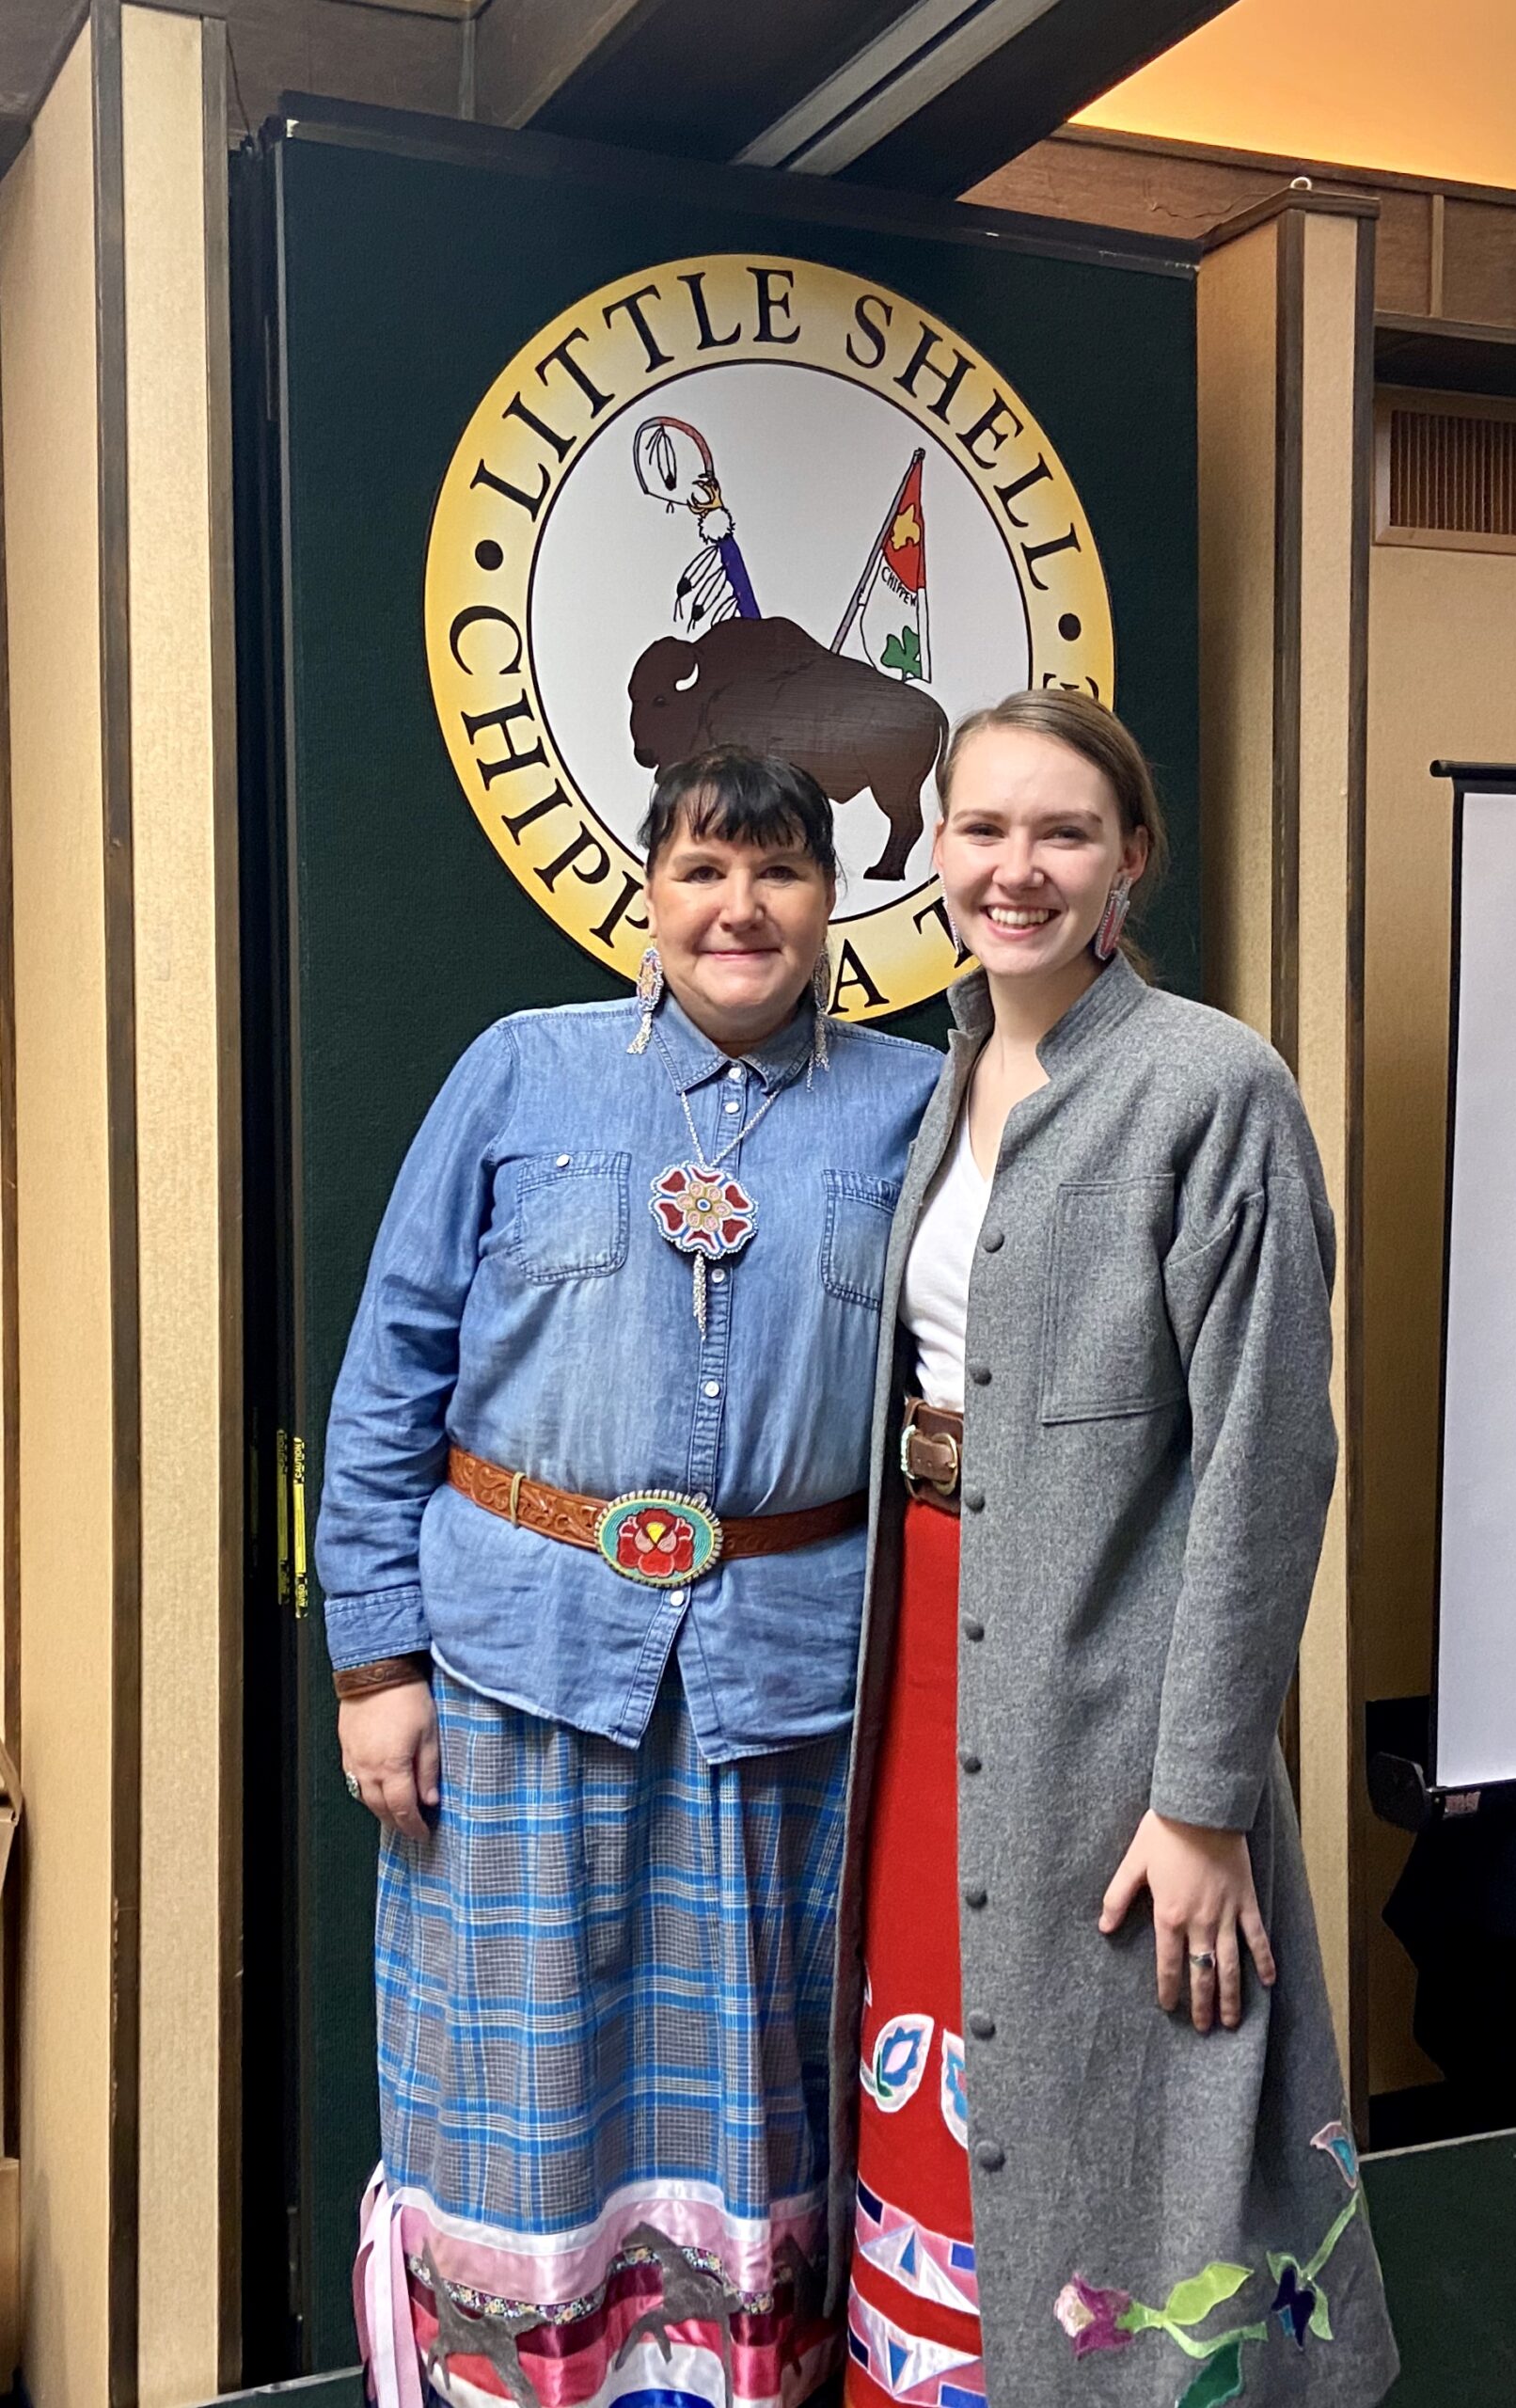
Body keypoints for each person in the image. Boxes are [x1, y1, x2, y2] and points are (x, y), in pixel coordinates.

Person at [316, 747, 940, 2408]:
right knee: (520, 2069)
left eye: (781, 872)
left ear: (836, 899)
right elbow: (391, 1376)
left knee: (760, 2079)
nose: (741, 906)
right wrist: (376, 1670)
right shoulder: (519, 1075)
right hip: (513, 1671)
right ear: (646, 892)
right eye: (704, 870)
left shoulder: (915, 1107)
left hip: (789, 1695)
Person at [830, 691, 1398, 2408]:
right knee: (939, 2026)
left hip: (1108, 1683)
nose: (1019, 870)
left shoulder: (1209, 1083)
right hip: (924, 1641)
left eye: (1063, 833)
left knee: (1133, 2085)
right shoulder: (946, 1071)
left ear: (1130, 861)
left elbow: (1268, 1459)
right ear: (935, 853)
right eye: (983, 830)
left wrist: (1206, 1796)